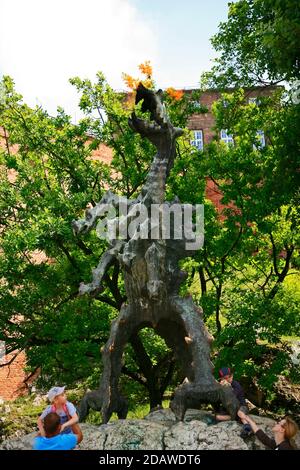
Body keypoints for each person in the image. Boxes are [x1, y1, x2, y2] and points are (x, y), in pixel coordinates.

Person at [215, 366, 252, 437]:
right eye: (224, 378)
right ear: (221, 379)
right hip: (230, 410)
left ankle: (247, 426)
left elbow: (232, 397)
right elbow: (219, 399)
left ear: (232, 376)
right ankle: (235, 418)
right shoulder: (221, 387)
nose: (228, 379)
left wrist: (226, 387)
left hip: (241, 406)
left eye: (229, 377)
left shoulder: (236, 385)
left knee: (240, 413)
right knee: (217, 417)